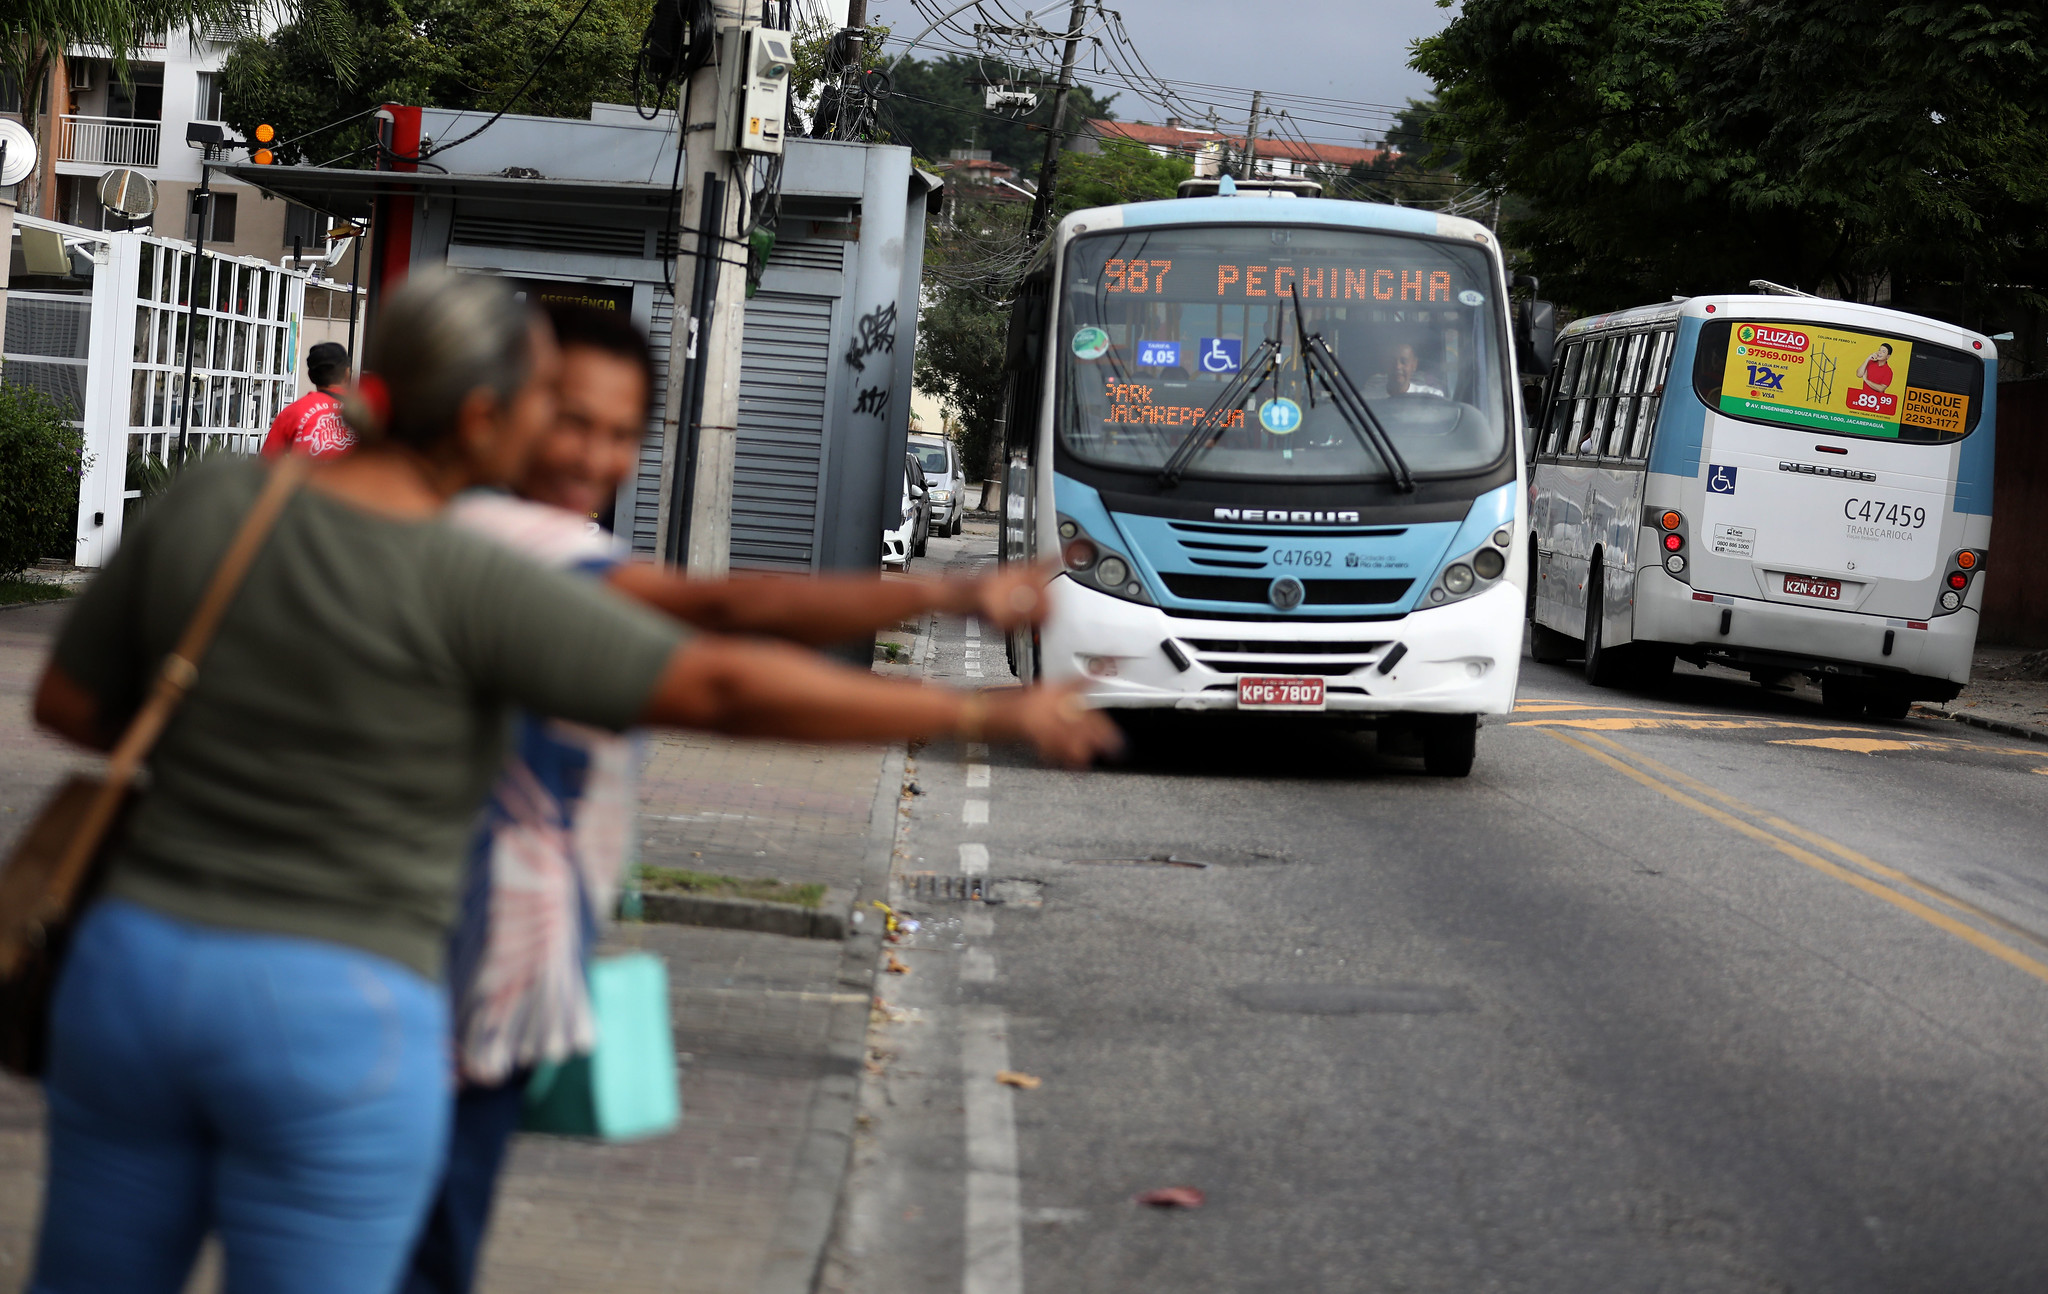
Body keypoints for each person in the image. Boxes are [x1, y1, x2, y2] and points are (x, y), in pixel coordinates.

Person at [29, 270, 1118, 1294]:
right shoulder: (481, 574)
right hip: (338, 1008)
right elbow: (723, 679)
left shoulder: (223, 500)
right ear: (479, 419)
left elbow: (66, 709)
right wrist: (979, 707)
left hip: (131, 974)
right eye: (542, 406)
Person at [401, 302, 1060, 1294]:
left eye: (620, 433)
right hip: (439, 979)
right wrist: (968, 675)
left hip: (483, 980)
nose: (592, 453)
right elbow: (718, 643)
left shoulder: (509, 538)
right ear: (498, 408)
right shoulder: (501, 543)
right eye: (568, 418)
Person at [261, 340, 356, 458]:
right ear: (347, 373)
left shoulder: (292, 413)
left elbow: (266, 464)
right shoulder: (372, 415)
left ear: (310, 376)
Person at [1373, 341, 1446, 399]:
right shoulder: (1368, 400)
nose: (1398, 366)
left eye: (1403, 361)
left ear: (1414, 365)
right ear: (1385, 364)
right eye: (1392, 361)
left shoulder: (1433, 398)